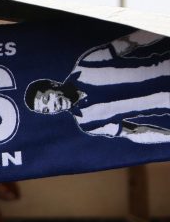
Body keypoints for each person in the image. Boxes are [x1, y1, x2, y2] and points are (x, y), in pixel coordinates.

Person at [25, 29, 170, 144]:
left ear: (53, 84)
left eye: (46, 99)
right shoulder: (89, 124)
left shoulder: (87, 63)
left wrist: (162, 25)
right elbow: (135, 132)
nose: (51, 106)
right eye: (45, 110)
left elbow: (131, 41)